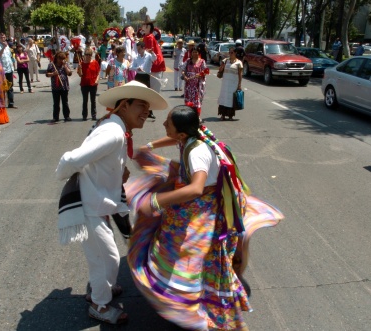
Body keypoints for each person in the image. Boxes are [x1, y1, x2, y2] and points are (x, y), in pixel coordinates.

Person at [127, 106, 282, 331]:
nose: (164, 125)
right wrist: (150, 146)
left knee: (186, 252)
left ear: (182, 133)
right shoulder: (192, 136)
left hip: (206, 204)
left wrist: (157, 201)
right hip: (205, 198)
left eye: (167, 122)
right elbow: (175, 140)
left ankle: (189, 301)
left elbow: (196, 188)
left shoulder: (196, 152)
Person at [55, 80, 168, 325]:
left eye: (148, 109)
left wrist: (120, 174)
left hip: (97, 202)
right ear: (124, 105)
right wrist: (63, 175)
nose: (146, 112)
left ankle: (100, 291)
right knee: (108, 257)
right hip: (89, 204)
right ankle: (99, 305)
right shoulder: (113, 132)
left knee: (100, 256)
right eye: (141, 105)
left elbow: (100, 159)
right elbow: (74, 158)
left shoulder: (115, 128)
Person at [180, 47, 208, 118]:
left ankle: (196, 116)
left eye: (196, 52)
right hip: (189, 83)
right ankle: (188, 115)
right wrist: (184, 76)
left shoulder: (202, 61)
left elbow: (205, 71)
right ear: (191, 53)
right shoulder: (188, 61)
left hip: (197, 84)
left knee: (197, 100)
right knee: (189, 99)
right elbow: (182, 70)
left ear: (198, 53)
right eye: (193, 52)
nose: (194, 53)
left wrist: (200, 74)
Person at [217, 47, 243, 121]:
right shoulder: (225, 61)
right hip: (225, 83)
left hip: (233, 83)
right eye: (229, 52)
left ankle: (230, 115)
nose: (230, 54)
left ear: (235, 53)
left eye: (232, 52)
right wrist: (222, 66)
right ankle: (223, 115)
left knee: (231, 99)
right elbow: (220, 70)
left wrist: (239, 85)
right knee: (224, 97)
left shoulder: (239, 63)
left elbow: (240, 74)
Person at [46, 51, 72, 122]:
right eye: (60, 59)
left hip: (64, 86)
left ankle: (67, 116)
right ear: (57, 58)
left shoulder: (65, 64)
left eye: (63, 59)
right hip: (55, 87)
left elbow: (69, 73)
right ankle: (55, 117)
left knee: (65, 102)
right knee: (56, 103)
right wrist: (53, 73)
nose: (61, 61)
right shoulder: (51, 65)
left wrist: (65, 67)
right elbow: (47, 74)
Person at [0, 33, 17, 109]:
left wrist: (13, 65)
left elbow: (9, 57)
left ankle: (11, 103)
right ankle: (2, 103)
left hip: (9, 69)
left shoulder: (7, 46)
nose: (3, 38)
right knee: (2, 87)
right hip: (1, 69)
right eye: (1, 37)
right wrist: (3, 47)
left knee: (10, 86)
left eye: (4, 37)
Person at [77, 49, 100, 121]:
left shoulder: (95, 63)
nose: (87, 57)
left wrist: (97, 80)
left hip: (93, 84)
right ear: (84, 55)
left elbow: (98, 73)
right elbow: (80, 75)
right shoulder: (81, 64)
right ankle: (84, 115)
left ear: (91, 55)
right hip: (84, 84)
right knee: (85, 100)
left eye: (89, 55)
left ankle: (93, 115)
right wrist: (79, 69)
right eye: (86, 55)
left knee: (93, 100)